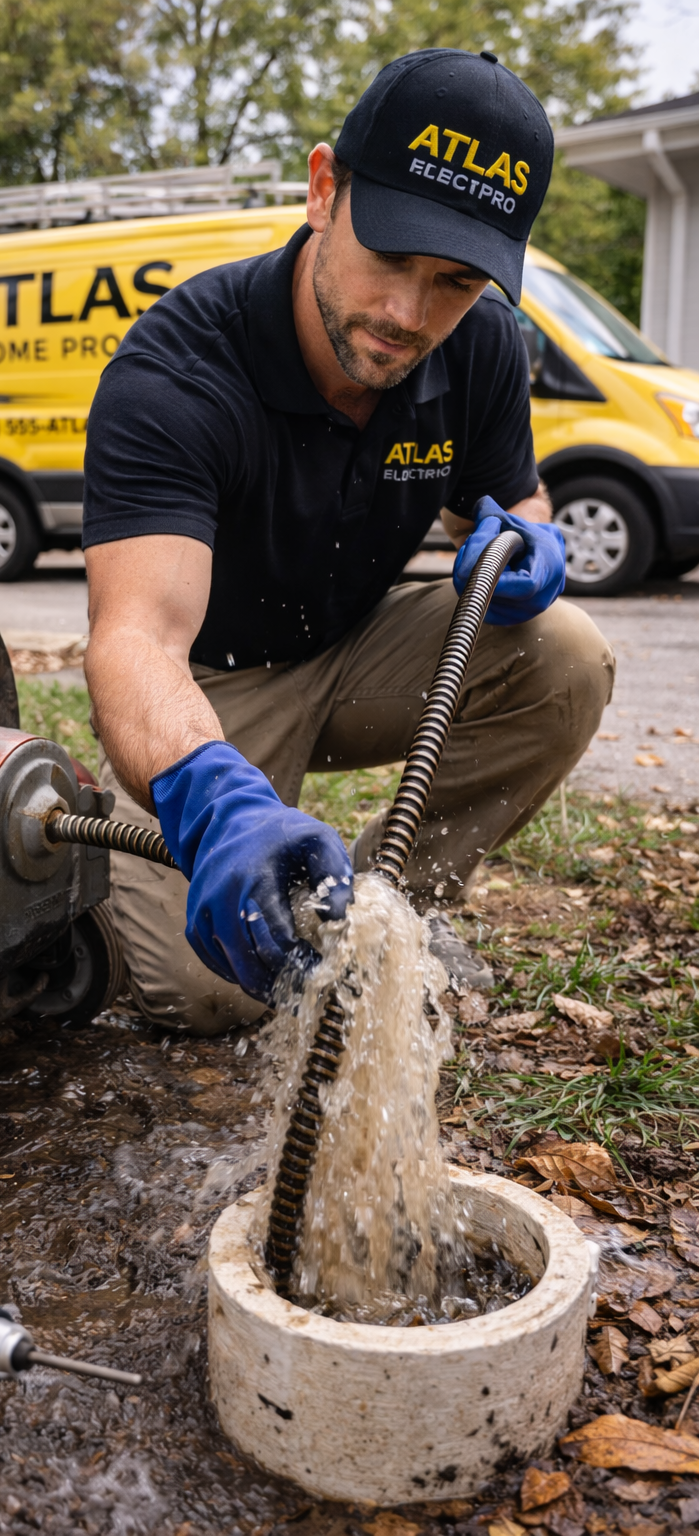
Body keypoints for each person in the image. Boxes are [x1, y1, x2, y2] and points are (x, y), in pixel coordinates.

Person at [82, 48, 615, 1035]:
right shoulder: (177, 370)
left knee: (567, 654)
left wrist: (527, 546)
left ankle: (388, 912)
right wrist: (212, 799)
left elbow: (513, 503)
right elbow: (133, 640)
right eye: (389, 260)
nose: (407, 316)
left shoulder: (481, 344)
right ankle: (178, 830)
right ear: (324, 189)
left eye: (452, 281)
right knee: (214, 990)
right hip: (213, 686)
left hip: (360, 646)